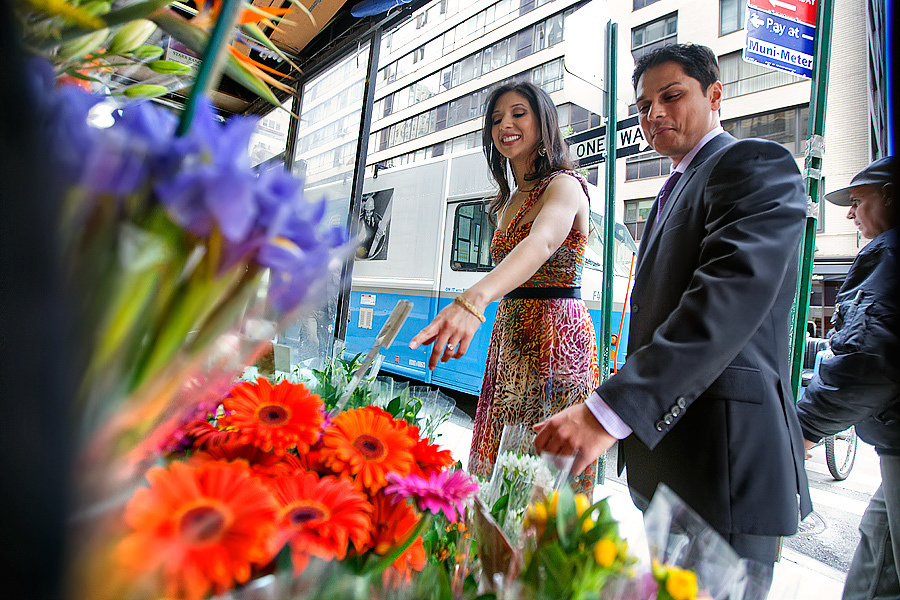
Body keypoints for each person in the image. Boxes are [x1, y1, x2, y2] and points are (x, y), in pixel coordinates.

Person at [531, 44, 812, 597]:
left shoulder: (754, 164)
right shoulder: (675, 185)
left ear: (715, 94)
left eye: (672, 95)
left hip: (725, 461)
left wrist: (607, 412)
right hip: (671, 459)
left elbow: (724, 301)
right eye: (643, 106)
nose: (653, 113)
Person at [409, 81, 600, 490]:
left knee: (545, 470)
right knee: (501, 459)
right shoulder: (509, 201)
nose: (505, 126)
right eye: (496, 120)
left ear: (543, 121)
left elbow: (541, 243)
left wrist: (472, 301)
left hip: (556, 336)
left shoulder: (564, 184)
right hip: (511, 333)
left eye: (518, 114)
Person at [795, 156, 898, 600]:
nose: (850, 214)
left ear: (890, 195)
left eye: (857, 201)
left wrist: (804, 429)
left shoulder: (889, 253)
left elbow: (867, 362)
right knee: (877, 560)